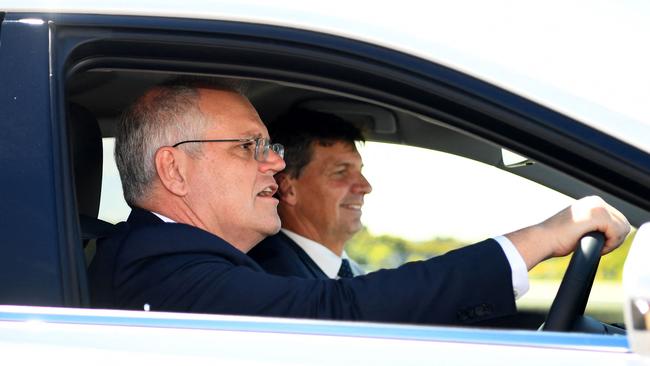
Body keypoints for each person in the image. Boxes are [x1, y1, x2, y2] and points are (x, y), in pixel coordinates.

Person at [88, 79, 630, 326]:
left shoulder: (176, 256)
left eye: (271, 147)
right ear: (174, 170)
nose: (273, 164)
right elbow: (327, 316)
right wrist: (537, 239)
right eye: (248, 147)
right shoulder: (156, 260)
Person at [248, 110, 370, 279]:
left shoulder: (356, 274)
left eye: (360, 171)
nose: (365, 187)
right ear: (287, 188)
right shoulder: (267, 279)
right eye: (341, 172)